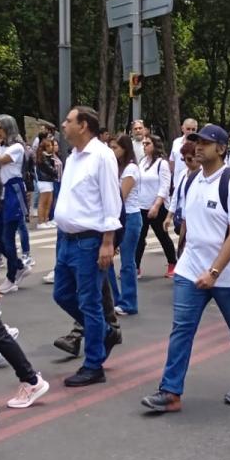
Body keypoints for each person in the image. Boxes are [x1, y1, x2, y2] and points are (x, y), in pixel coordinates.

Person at [141, 124, 230, 411]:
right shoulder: (192, 179)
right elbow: (188, 223)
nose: (198, 147)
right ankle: (170, 392)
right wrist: (182, 255)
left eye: (205, 143)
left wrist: (215, 272)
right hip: (191, 268)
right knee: (181, 328)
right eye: (195, 141)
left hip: (228, 273)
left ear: (221, 148)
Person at [52, 106, 122, 388]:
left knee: (90, 303)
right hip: (66, 239)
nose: (63, 125)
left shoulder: (102, 156)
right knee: (62, 294)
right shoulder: (73, 157)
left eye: (68, 121)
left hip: (89, 241)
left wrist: (107, 242)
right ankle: (103, 332)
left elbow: (111, 201)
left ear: (83, 126)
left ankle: (94, 365)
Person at [0, 115, 31, 293]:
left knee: (8, 236)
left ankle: (12, 276)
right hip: (0, 193)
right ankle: (19, 265)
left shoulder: (17, 148)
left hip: (13, 192)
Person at [107, 135, 143, 316]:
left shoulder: (130, 169)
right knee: (106, 261)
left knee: (127, 262)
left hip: (129, 217)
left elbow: (121, 196)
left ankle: (129, 302)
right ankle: (114, 299)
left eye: (115, 148)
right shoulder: (117, 167)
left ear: (125, 148)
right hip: (119, 218)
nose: (113, 151)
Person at [134, 134, 176, 279]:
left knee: (162, 236)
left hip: (157, 206)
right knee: (139, 237)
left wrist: (156, 205)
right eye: (144, 144)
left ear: (155, 145)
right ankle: (136, 267)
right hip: (141, 205)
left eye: (148, 143)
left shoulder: (161, 163)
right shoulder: (142, 161)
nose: (144, 146)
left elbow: (164, 187)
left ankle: (172, 263)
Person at [34, 137, 60, 229]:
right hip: (44, 181)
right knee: (43, 202)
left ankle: (45, 220)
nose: (51, 147)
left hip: (49, 180)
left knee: (49, 202)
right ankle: (41, 221)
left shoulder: (49, 156)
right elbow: (49, 169)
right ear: (44, 147)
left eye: (51, 145)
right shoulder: (43, 156)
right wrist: (55, 172)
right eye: (48, 146)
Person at [169, 119, 199, 190]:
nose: (190, 132)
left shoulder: (199, 144)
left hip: (194, 183)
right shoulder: (176, 142)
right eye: (188, 129)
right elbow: (172, 161)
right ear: (182, 128)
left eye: (193, 129)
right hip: (177, 183)